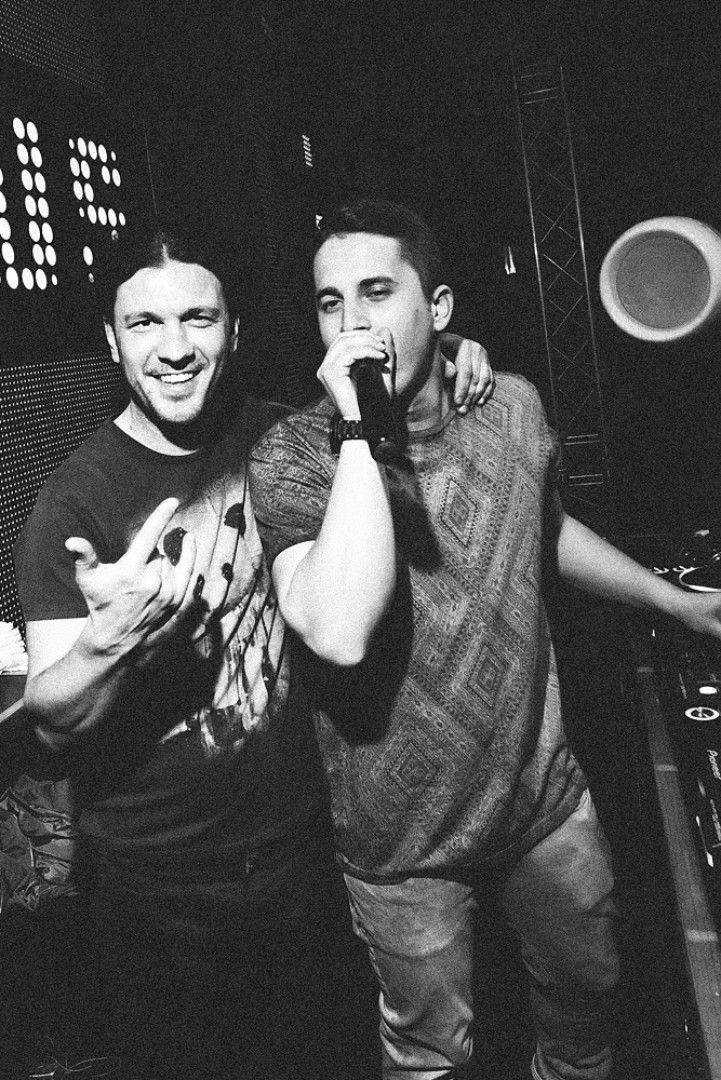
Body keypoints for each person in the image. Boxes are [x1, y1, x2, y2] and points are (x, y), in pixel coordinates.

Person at [248, 198, 721, 1080]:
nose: (352, 324)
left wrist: (676, 603)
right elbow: (337, 630)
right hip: (403, 845)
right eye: (329, 302)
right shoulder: (295, 456)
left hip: (543, 804)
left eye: (377, 292)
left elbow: (543, 529)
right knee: (432, 1053)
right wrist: (359, 428)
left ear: (439, 308)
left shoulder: (510, 406)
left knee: (588, 1003)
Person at [10, 219, 493, 1079]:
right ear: (112, 342)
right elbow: (51, 727)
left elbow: (382, 408)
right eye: (144, 324)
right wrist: (106, 645)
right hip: (158, 887)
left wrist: (449, 355)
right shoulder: (72, 504)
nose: (173, 349)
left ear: (233, 333)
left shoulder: (280, 437)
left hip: (303, 854)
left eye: (197, 319)